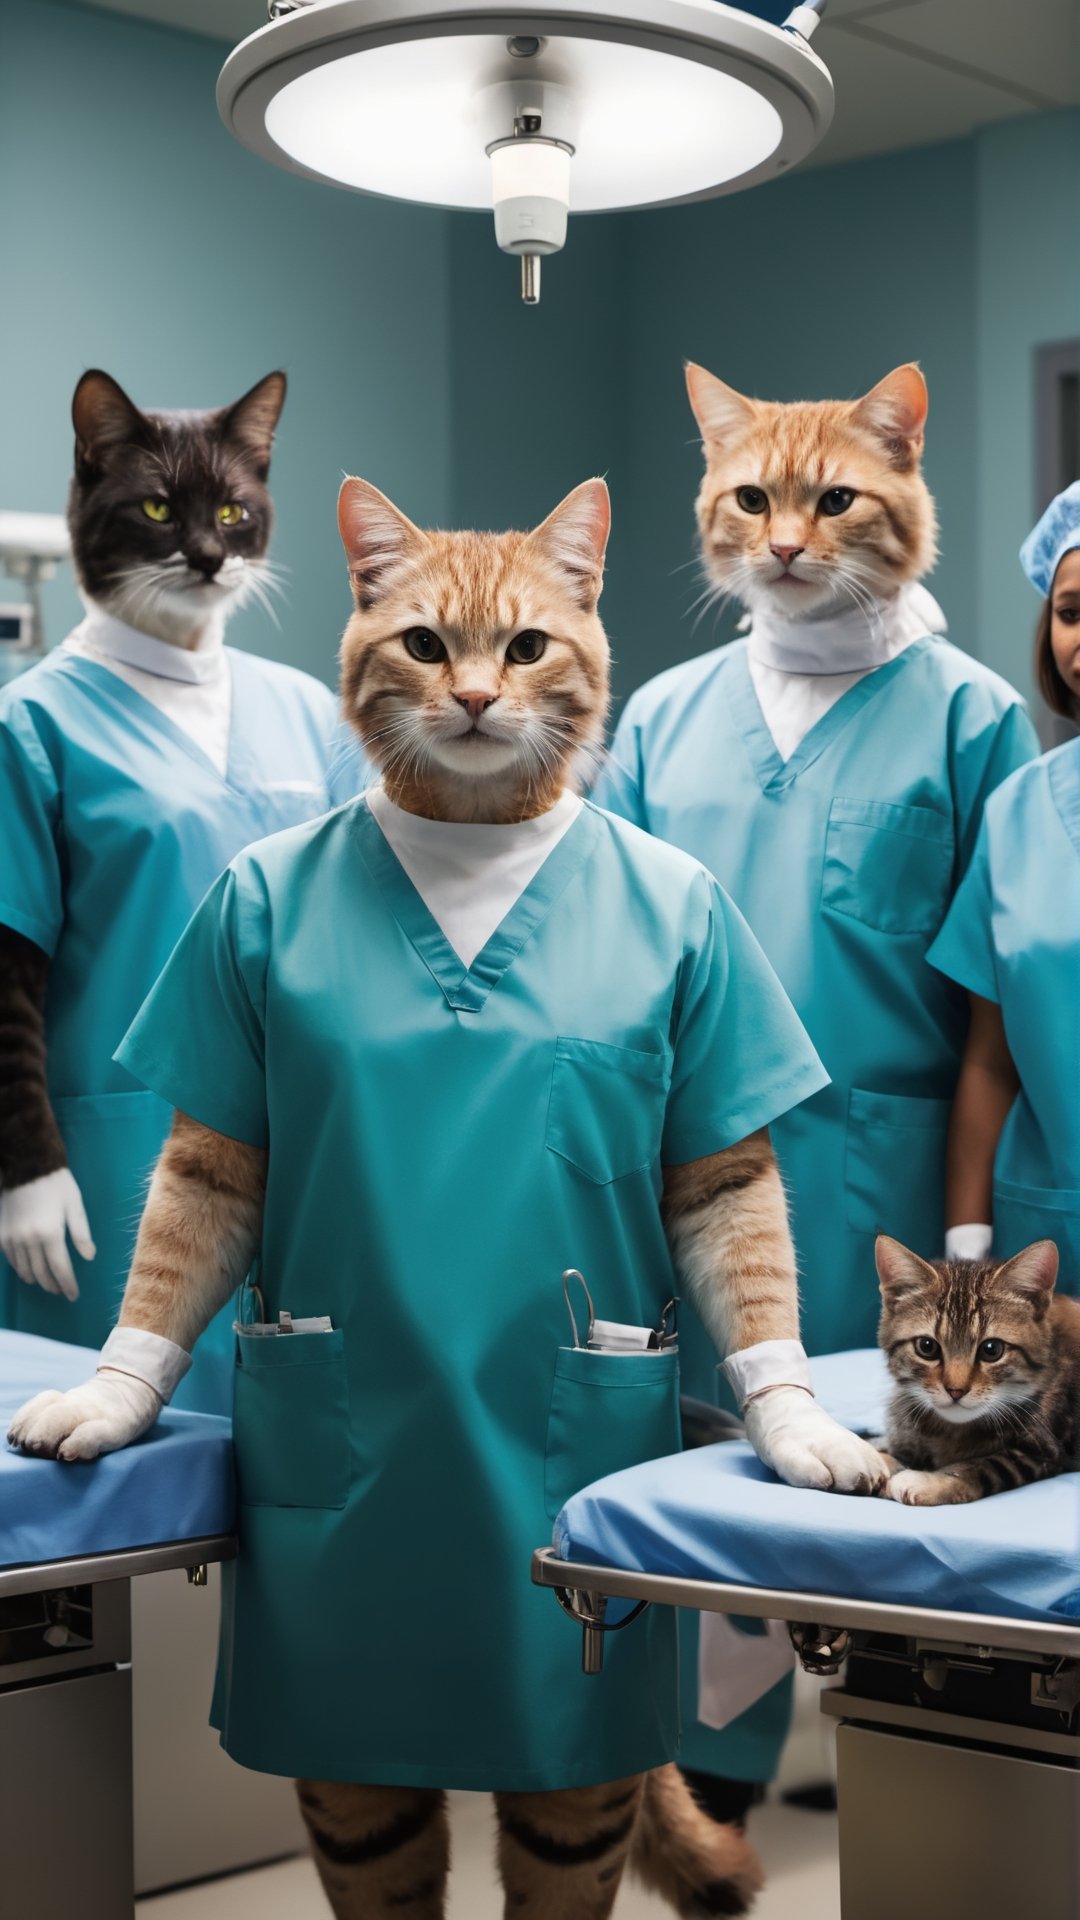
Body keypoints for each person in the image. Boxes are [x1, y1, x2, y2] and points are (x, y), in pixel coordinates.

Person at [592, 359, 1039, 1811]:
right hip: (697, 1162)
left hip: (889, 1185)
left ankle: (926, 1784)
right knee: (716, 1468)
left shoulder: (972, 718)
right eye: (751, 498)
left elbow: (998, 993)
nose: (786, 534)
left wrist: (970, 1229)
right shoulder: (661, 716)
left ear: (902, 479)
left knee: (918, 1479)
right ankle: (708, 1783)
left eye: (829, 496)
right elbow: (610, 956)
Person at [0, 369, 366, 1410]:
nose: (206, 544)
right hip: (100, 1185)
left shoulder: (308, 717)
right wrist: (20, 1168)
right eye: (164, 511)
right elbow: (4, 978)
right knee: (103, 1484)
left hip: (297, 1164)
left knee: (277, 1477)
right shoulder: (36, 725)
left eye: (232, 514)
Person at [929, 481, 1080, 1286]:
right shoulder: (1020, 809)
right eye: (1071, 611)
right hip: (1047, 1248)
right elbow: (991, 1059)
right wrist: (966, 1249)